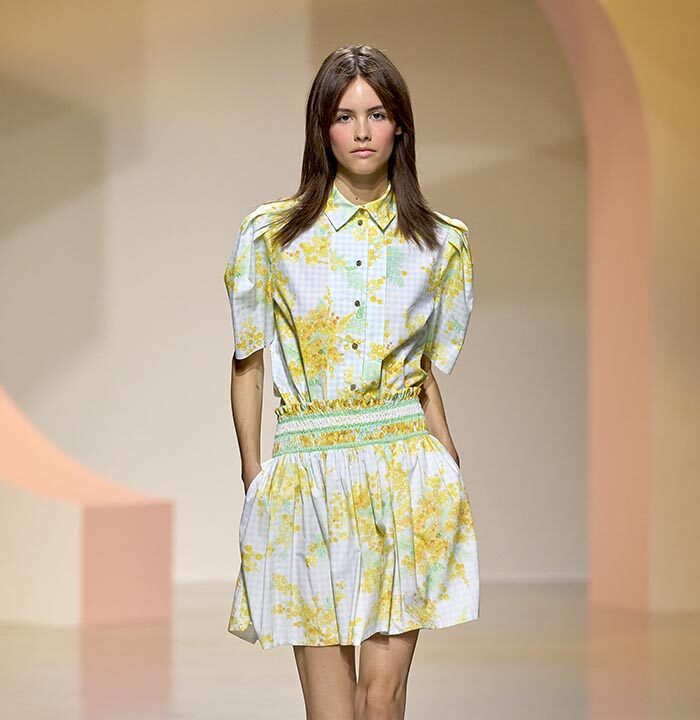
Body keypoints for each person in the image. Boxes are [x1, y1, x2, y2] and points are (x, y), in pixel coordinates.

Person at [224, 43, 480, 720]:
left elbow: (421, 367)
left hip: (405, 472)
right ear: (322, 129)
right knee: (331, 709)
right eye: (344, 116)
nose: (362, 131)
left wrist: (446, 454)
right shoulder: (272, 236)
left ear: (400, 127)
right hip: (309, 476)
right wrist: (254, 472)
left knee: (382, 697)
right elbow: (248, 361)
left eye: (377, 114)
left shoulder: (440, 243)